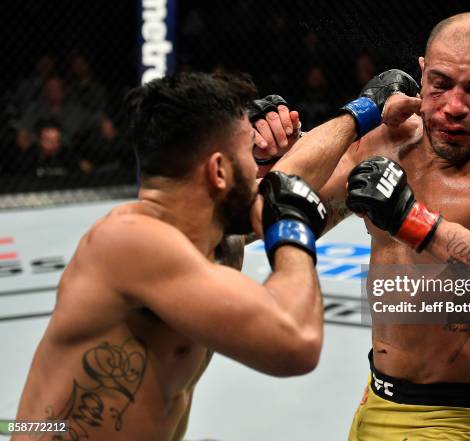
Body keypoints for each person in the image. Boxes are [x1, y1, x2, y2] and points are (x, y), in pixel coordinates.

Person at [263, 11, 470, 441]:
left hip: (450, 418)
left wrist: (415, 222)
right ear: (421, 73)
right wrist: (266, 157)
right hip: (377, 396)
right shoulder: (389, 138)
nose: (455, 106)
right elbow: (284, 206)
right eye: (441, 84)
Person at [11, 72, 341, 441]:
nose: (257, 167)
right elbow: (297, 341)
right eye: (248, 155)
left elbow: (311, 187)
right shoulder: (128, 242)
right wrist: (291, 226)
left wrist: (362, 115)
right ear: (218, 171)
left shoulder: (207, 240)